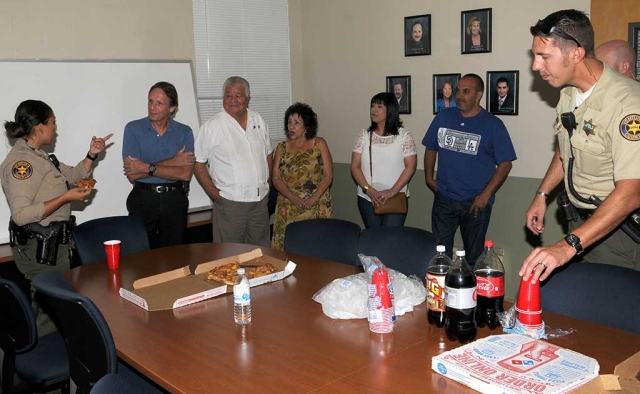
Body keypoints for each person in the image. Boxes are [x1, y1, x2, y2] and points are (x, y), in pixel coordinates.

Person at [521, 10, 640, 284]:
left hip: (617, 232)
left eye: (544, 57)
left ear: (576, 54)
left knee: (610, 320)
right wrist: (542, 193)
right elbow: (567, 148)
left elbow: (632, 192)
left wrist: (567, 246)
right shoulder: (569, 95)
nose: (535, 67)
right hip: (579, 224)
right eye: (535, 56)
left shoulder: (626, 106)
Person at [1, 100, 112, 336]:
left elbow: (73, 175)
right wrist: (65, 198)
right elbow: (21, 215)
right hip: (40, 249)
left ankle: (49, 357)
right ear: (40, 126)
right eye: (52, 122)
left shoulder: (41, 156)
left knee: (49, 308)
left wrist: (91, 154)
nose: (56, 128)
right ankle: (50, 363)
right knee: (51, 313)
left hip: (53, 248)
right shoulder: (23, 164)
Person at [423, 74, 516, 264]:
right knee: (440, 255)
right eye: (458, 90)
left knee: (474, 257)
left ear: (479, 95)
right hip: (444, 198)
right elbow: (431, 147)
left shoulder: (493, 125)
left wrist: (485, 196)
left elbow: (506, 164)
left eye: (466, 91)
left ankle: (471, 294)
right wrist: (429, 179)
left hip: (475, 202)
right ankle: (440, 292)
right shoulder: (444, 117)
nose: (459, 95)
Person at [194, 76, 273, 247]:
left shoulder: (258, 120)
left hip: (260, 203)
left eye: (238, 95)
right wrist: (215, 195)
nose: (233, 100)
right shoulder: (212, 126)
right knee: (228, 256)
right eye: (228, 95)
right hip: (230, 203)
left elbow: (268, 153)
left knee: (261, 255)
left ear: (248, 98)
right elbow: (198, 163)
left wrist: (267, 181)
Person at [122, 82, 195, 249]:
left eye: (159, 103)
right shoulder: (133, 129)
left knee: (174, 255)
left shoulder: (184, 132)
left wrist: (147, 167)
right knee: (141, 254)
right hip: (143, 198)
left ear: (172, 108)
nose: (152, 107)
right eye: (150, 101)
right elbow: (132, 174)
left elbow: (184, 174)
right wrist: (173, 162)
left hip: (174, 199)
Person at [271, 103, 333, 250]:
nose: (291, 127)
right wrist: (293, 198)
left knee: (316, 247)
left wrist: (314, 198)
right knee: (289, 250)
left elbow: (328, 176)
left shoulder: (319, 144)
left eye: (296, 123)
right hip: (288, 205)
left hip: (317, 205)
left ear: (307, 126)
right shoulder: (281, 148)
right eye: (289, 122)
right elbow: (276, 178)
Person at [351, 92, 417, 228]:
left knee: (390, 240)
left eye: (379, 106)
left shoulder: (404, 135)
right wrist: (368, 189)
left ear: (390, 110)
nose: (373, 110)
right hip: (367, 198)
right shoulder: (364, 135)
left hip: (396, 197)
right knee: (373, 238)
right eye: (372, 106)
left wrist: (391, 192)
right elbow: (355, 166)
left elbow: (410, 166)